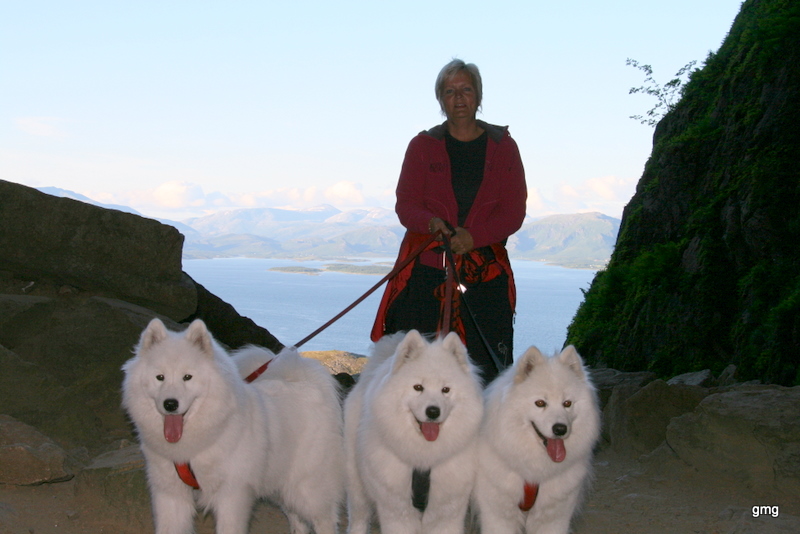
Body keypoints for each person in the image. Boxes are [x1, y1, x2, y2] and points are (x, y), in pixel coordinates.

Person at [371, 59, 527, 382]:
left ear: (478, 95)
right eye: (450, 91)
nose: (458, 98)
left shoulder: (504, 148)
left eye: (465, 89)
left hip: (484, 276)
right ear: (440, 99)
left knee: (485, 374)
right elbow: (406, 204)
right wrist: (431, 223)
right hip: (426, 273)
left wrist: (474, 237)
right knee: (416, 374)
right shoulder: (422, 146)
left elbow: (514, 212)